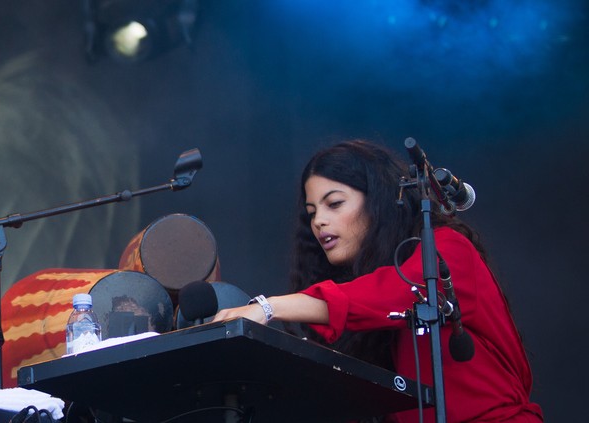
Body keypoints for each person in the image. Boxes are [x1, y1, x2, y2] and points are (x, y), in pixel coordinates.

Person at [212, 140, 541, 422]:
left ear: (379, 201)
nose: (319, 221)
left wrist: (269, 307)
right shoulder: (361, 299)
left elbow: (397, 290)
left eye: (334, 203)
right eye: (312, 212)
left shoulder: (446, 249)